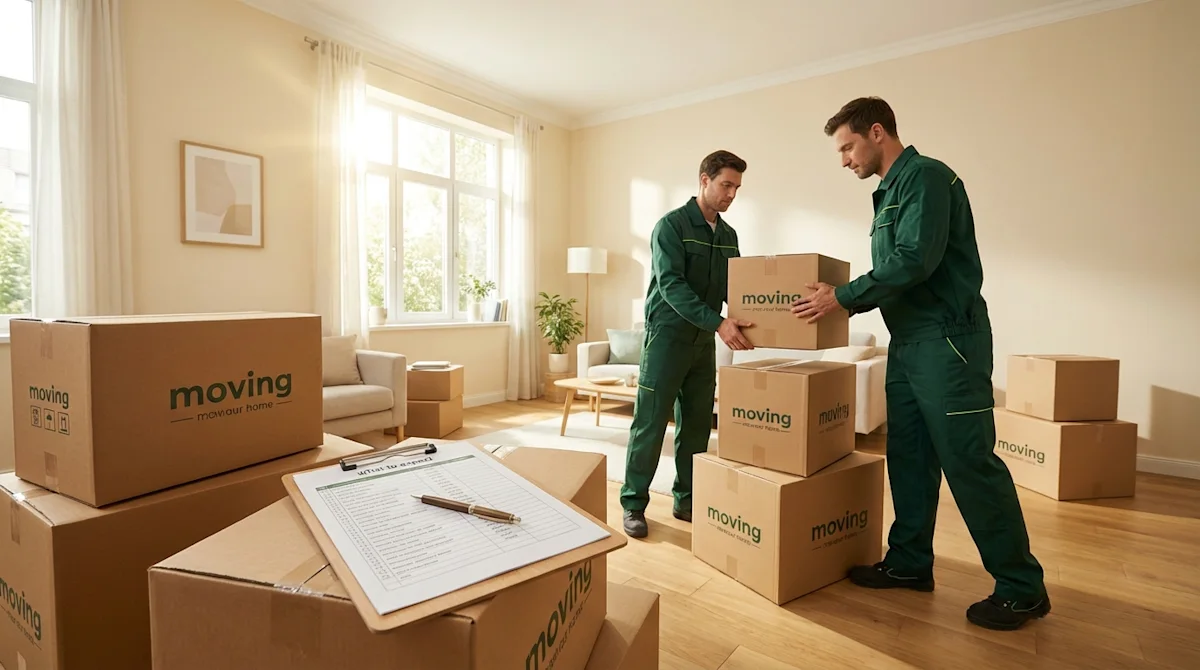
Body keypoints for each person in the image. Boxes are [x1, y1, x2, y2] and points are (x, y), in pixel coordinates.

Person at [792, 97, 1049, 631]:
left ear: (878, 133)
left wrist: (842, 296)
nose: (843, 161)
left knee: (968, 461)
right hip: (907, 343)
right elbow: (897, 265)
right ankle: (910, 563)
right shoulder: (889, 192)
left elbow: (914, 259)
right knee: (908, 455)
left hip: (947, 342)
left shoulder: (928, 178)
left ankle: (1022, 587)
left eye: (847, 147)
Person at [620, 150, 754, 539]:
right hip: (667, 338)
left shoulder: (729, 236)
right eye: (726, 185)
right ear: (704, 179)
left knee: (696, 426)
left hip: (702, 344)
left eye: (737, 188)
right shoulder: (671, 227)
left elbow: (737, 288)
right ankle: (633, 504)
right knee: (649, 424)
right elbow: (672, 286)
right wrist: (719, 323)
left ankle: (687, 499)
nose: (731, 194)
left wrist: (764, 315)